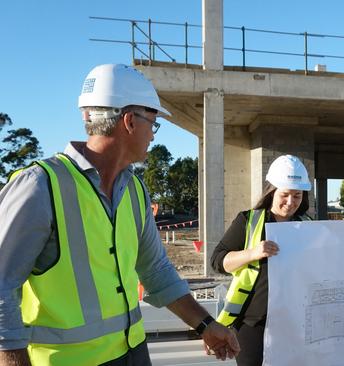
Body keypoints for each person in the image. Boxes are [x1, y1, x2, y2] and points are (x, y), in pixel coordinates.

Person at [0, 64, 239, 365]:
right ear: (129, 121)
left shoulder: (135, 190)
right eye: (153, 123)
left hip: (133, 354)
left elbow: (156, 271)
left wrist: (206, 324)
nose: (153, 135)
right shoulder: (40, 187)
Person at [211, 154, 312, 366]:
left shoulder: (309, 225)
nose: (290, 202)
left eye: (297, 196)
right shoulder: (248, 221)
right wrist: (252, 253)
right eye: (285, 195)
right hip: (252, 324)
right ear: (272, 191)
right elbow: (218, 261)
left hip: (294, 321)